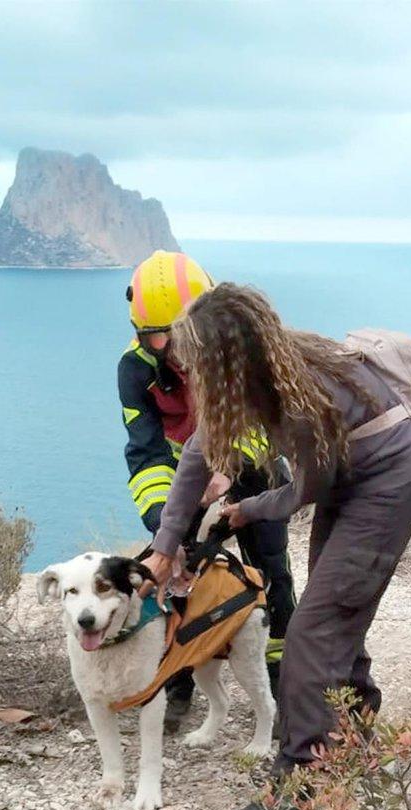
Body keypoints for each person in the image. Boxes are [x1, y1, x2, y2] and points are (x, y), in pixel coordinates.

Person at [141, 283, 411, 810]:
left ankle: (302, 779)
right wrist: (165, 546)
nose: (191, 372)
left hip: (388, 485)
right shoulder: (262, 373)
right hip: (353, 477)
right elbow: (199, 453)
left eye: (198, 362)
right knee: (334, 615)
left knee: (313, 629)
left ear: (228, 358)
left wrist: (248, 509)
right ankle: (354, 729)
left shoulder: (299, 399)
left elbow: (304, 489)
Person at [118, 251, 295, 730]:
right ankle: (177, 686)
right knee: (175, 581)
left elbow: (268, 424)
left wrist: (231, 467)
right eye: (161, 339)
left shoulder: (242, 352)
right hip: (185, 489)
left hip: (253, 473)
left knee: (272, 577)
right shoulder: (135, 370)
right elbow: (145, 453)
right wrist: (164, 522)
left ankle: (286, 688)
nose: (177, 351)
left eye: (184, 336)